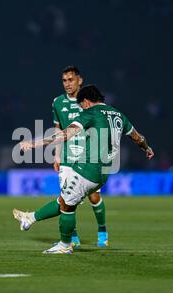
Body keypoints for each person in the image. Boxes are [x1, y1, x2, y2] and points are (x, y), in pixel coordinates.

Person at [13, 85, 154, 254]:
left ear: (86, 102)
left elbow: (65, 134)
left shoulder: (91, 113)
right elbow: (138, 137)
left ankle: (65, 245)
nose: (81, 109)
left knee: (67, 206)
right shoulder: (118, 114)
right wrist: (146, 148)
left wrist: (34, 143)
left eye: (81, 106)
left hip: (88, 169)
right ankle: (31, 218)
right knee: (64, 200)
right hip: (105, 173)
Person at [48, 66, 108, 248]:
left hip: (88, 153)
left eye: (71, 80)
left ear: (79, 80)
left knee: (93, 196)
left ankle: (102, 231)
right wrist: (57, 156)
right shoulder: (57, 102)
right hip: (67, 154)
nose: (67, 84)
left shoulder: (90, 101)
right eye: (64, 80)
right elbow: (58, 129)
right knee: (67, 196)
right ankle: (72, 237)